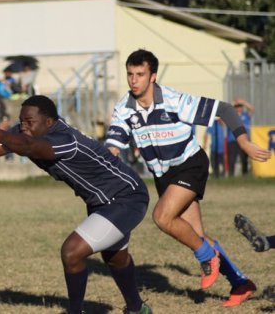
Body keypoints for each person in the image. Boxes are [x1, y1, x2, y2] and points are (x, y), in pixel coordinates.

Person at [105, 49, 271, 307]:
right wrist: (105, 159)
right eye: (130, 74)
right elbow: (114, 144)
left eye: (140, 74)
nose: (134, 80)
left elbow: (225, 110)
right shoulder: (123, 109)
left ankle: (206, 256)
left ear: (153, 76)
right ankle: (241, 283)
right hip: (163, 175)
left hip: (190, 165)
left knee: (162, 216)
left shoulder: (173, 100)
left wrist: (244, 143)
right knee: (195, 233)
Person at [0, 95, 152, 314]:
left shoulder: (65, 138)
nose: (23, 126)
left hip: (127, 196)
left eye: (30, 122)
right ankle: (138, 309)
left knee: (71, 253)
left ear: (49, 122)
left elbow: (30, 147)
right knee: (115, 258)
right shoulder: (24, 133)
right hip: (102, 201)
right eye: (21, 121)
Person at [228, 99, 254, 176]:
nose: (238, 108)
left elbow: (252, 109)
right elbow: (226, 110)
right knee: (232, 159)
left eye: (240, 106)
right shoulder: (231, 116)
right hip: (233, 140)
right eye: (237, 106)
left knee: (244, 159)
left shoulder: (246, 115)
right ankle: (231, 176)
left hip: (244, 140)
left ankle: (244, 175)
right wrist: (233, 103)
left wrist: (243, 102)